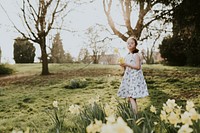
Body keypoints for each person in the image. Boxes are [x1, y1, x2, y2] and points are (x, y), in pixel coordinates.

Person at [117, 36, 149, 114]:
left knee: (131, 97)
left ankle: (135, 116)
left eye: (132, 43)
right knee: (130, 97)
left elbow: (138, 67)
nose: (130, 44)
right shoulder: (127, 55)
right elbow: (126, 68)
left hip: (135, 77)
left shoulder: (136, 55)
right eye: (128, 43)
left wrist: (127, 64)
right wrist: (123, 65)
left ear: (135, 45)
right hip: (129, 77)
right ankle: (133, 113)